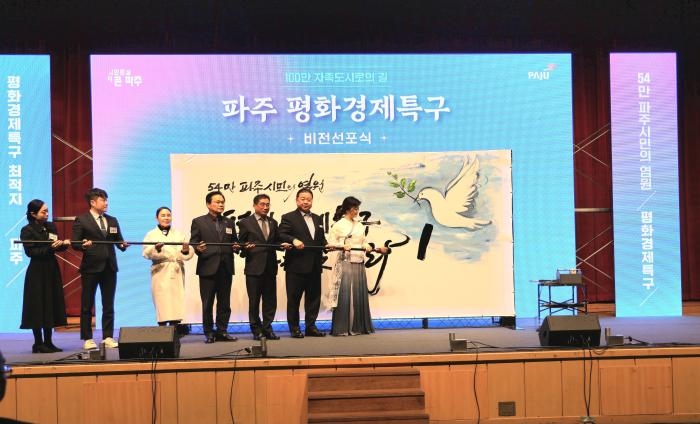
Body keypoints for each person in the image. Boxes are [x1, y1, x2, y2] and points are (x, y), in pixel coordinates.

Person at [72, 188, 128, 350]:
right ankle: (87, 338)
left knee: (108, 304)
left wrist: (123, 245)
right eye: (103, 200)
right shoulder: (82, 220)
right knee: (87, 304)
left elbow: (118, 241)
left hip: (109, 267)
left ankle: (108, 336)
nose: (106, 203)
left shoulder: (112, 220)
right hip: (90, 267)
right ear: (92, 202)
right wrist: (83, 245)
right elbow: (75, 243)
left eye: (106, 200)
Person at [327, 197, 388, 336]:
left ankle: (358, 327)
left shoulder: (359, 225)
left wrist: (366, 246)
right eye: (355, 208)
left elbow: (363, 241)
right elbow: (330, 243)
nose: (357, 211)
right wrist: (342, 245)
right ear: (347, 209)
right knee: (345, 294)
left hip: (359, 261)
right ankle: (342, 327)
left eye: (357, 208)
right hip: (345, 261)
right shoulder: (338, 225)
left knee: (358, 293)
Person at [190, 191, 241, 344]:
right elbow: (194, 241)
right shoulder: (198, 221)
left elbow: (234, 241)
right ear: (208, 204)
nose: (221, 204)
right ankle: (209, 332)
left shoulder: (229, 222)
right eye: (217, 202)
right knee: (207, 303)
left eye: (222, 202)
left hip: (226, 267)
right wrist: (198, 248)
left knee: (224, 303)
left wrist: (236, 246)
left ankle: (222, 331)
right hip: (207, 267)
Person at [19, 199, 70, 353]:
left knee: (51, 303)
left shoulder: (50, 226)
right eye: (43, 211)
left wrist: (63, 245)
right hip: (36, 271)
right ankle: (38, 343)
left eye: (47, 211)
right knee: (37, 305)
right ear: (33, 214)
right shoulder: (27, 230)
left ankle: (48, 341)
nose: (47, 214)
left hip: (51, 269)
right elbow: (31, 252)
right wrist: (50, 248)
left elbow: (56, 247)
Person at [238, 194, 291, 340]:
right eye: (262, 204)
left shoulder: (273, 222)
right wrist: (245, 247)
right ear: (254, 205)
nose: (265, 207)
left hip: (270, 267)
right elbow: (240, 244)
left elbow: (275, 242)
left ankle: (268, 328)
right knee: (254, 302)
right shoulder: (245, 223)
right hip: (253, 268)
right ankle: (256, 330)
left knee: (270, 301)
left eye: (268, 204)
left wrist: (282, 245)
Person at [278, 188, 328, 338]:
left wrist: (326, 245)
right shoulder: (288, 217)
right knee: (294, 299)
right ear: (297, 200)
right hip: (296, 266)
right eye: (303, 199)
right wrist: (293, 240)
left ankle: (311, 327)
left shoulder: (318, 219)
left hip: (315, 265)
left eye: (309, 199)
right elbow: (281, 234)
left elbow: (320, 239)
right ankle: (294, 328)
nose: (306, 202)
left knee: (313, 299)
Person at [142, 207, 194, 328]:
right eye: (163, 215)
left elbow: (187, 251)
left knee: (176, 300)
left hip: (176, 270)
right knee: (162, 300)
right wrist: (157, 249)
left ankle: (175, 328)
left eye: (168, 215)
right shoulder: (151, 234)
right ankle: (162, 328)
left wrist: (185, 250)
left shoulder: (178, 234)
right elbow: (146, 253)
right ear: (157, 218)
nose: (166, 218)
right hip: (160, 271)